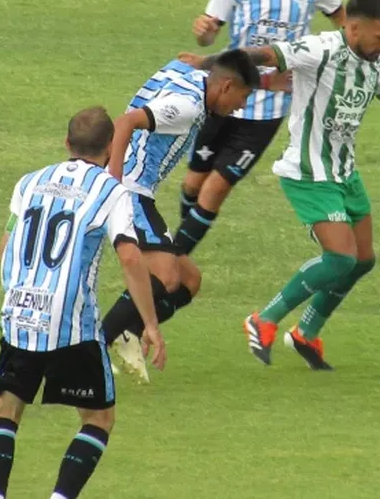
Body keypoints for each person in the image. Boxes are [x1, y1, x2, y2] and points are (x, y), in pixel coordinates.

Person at [182, 0, 380, 370]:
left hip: (344, 172)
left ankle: (307, 332)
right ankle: (264, 319)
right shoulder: (320, 49)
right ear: (353, 27)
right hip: (307, 173)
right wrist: (207, 62)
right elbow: (264, 55)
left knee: (363, 260)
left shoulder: (378, 61)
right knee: (340, 257)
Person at [0, 107, 165, 499]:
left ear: (66, 143)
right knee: (99, 419)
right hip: (71, 324)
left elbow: (7, 243)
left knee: (7, 408)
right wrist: (149, 323)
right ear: (111, 146)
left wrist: (14, 295)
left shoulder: (29, 182)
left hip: (18, 312)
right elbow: (131, 257)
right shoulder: (111, 191)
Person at [173, 0, 345, 257]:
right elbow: (208, 36)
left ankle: (173, 259)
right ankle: (180, 246)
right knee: (193, 183)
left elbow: (344, 25)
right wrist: (203, 33)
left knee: (216, 188)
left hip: (270, 106)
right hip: (222, 95)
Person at [99, 50, 263, 382]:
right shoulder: (188, 106)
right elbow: (125, 122)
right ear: (226, 86)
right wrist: (112, 185)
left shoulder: (193, 75)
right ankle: (92, 351)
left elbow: (187, 59)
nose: (241, 106)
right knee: (168, 277)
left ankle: (127, 331)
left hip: (138, 193)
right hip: (130, 190)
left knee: (189, 281)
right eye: (242, 97)